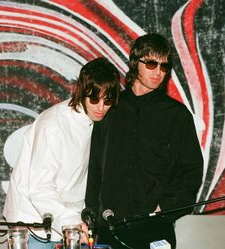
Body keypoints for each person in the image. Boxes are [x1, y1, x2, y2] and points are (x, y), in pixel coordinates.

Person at [85, 33, 204, 249]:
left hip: (155, 227)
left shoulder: (176, 114)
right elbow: (94, 166)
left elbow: (192, 170)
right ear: (135, 63)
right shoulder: (112, 108)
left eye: (164, 66)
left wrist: (166, 207)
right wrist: (92, 213)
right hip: (110, 227)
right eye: (151, 63)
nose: (158, 72)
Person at [3, 57, 121, 249]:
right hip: (34, 225)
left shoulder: (97, 123)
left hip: (68, 222)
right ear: (82, 92)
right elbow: (40, 188)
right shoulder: (53, 124)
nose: (101, 108)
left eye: (107, 101)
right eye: (94, 99)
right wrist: (71, 222)